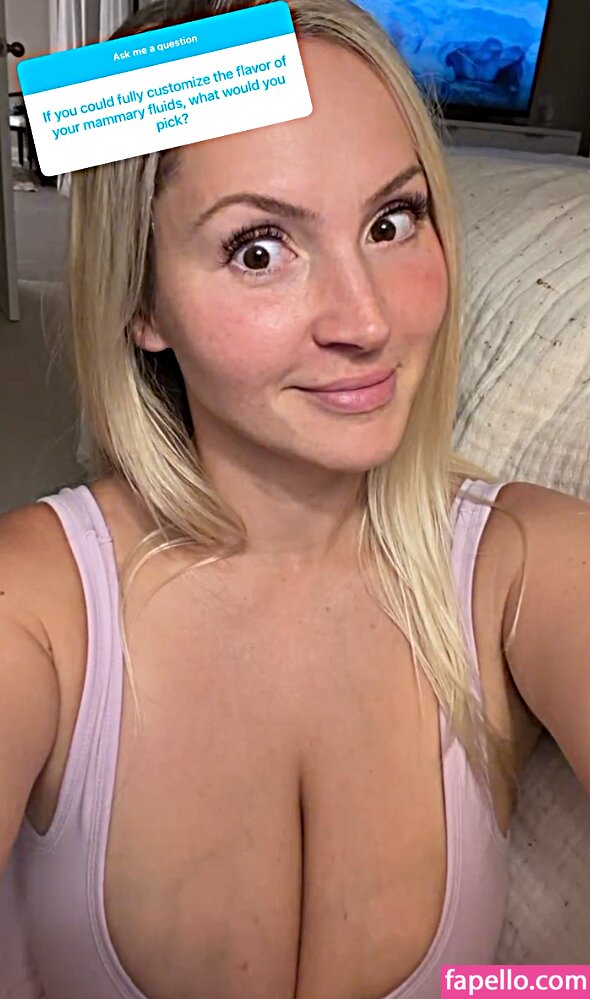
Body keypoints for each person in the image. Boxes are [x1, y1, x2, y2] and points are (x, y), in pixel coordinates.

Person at [1, 0, 589, 997]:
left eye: (390, 223)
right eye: (259, 249)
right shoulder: (35, 608)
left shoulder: (522, 564)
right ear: (141, 299)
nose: (366, 320)